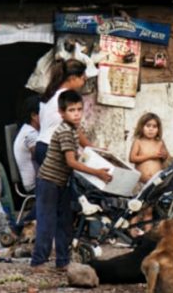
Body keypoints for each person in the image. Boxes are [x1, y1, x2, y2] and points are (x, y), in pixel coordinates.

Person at [30, 90, 112, 271]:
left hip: (61, 182)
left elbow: (82, 149)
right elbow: (71, 161)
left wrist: (100, 151)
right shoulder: (65, 131)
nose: (76, 114)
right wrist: (97, 172)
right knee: (47, 222)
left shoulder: (74, 129)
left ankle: (62, 261)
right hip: (48, 181)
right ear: (61, 113)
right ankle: (38, 262)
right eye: (71, 110)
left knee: (65, 222)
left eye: (79, 109)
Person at [36, 59, 92, 169]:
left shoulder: (51, 94)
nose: (84, 82)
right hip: (52, 148)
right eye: (82, 79)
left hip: (41, 145)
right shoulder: (66, 97)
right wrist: (92, 148)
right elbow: (76, 130)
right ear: (72, 78)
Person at [129, 112, 169, 185]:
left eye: (154, 126)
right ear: (141, 127)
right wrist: (151, 156)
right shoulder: (138, 142)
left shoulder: (160, 142)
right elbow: (132, 158)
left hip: (157, 181)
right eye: (148, 126)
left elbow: (165, 157)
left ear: (158, 129)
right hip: (141, 183)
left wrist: (164, 155)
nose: (151, 129)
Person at [13, 96, 41, 192]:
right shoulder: (30, 134)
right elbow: (43, 158)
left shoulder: (28, 130)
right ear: (34, 115)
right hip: (35, 185)